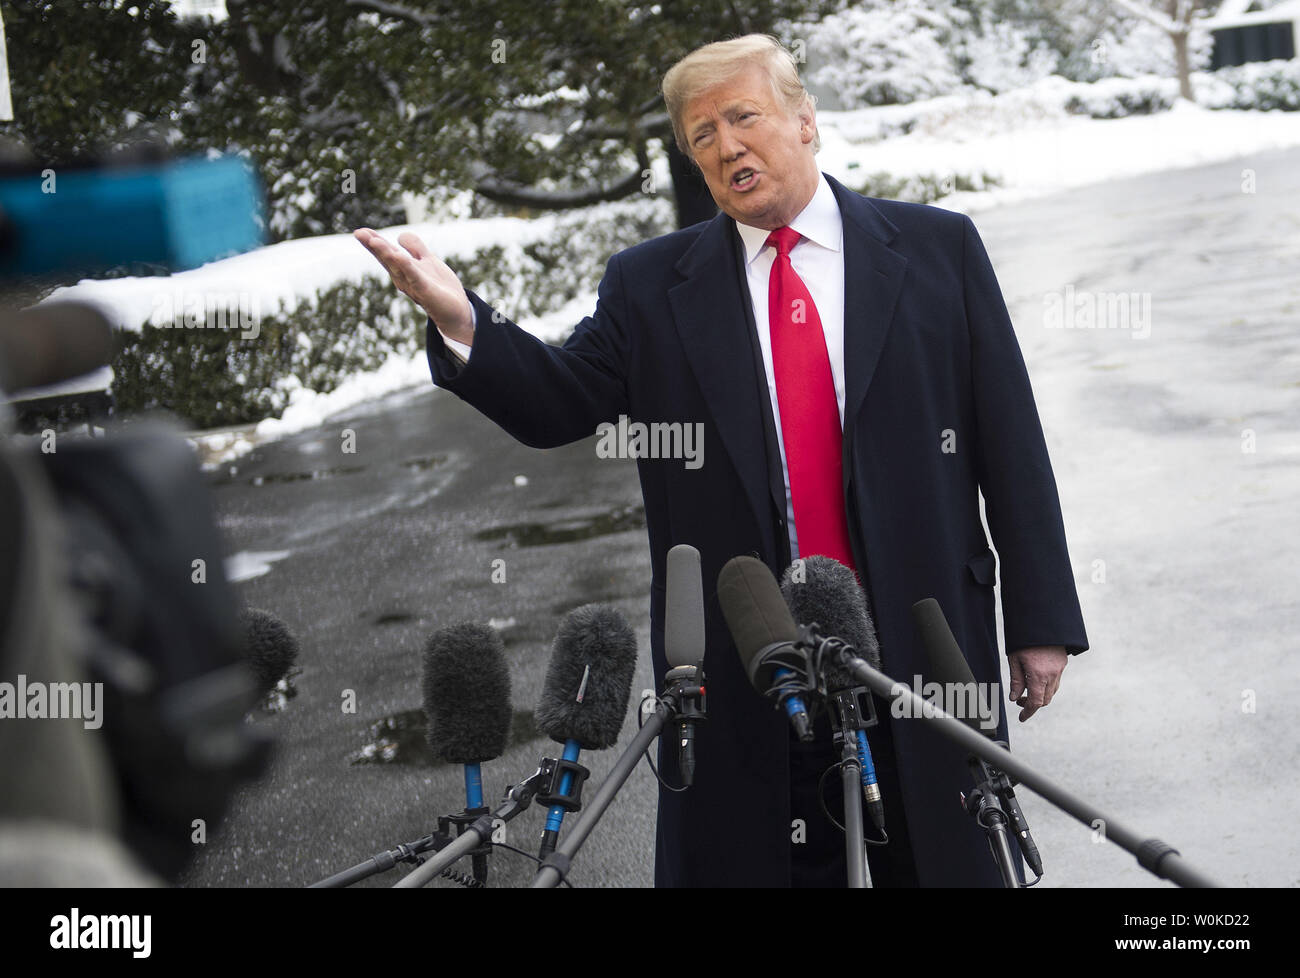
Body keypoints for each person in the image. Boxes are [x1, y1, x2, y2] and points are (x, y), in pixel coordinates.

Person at [355, 33, 1088, 887]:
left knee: (940, 862)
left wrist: (1040, 621)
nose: (726, 145)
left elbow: (1011, 439)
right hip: (744, 671)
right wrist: (463, 322)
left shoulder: (937, 250)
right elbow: (559, 403)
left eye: (744, 117)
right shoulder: (651, 284)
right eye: (701, 135)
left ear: (805, 120)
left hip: (922, 649)